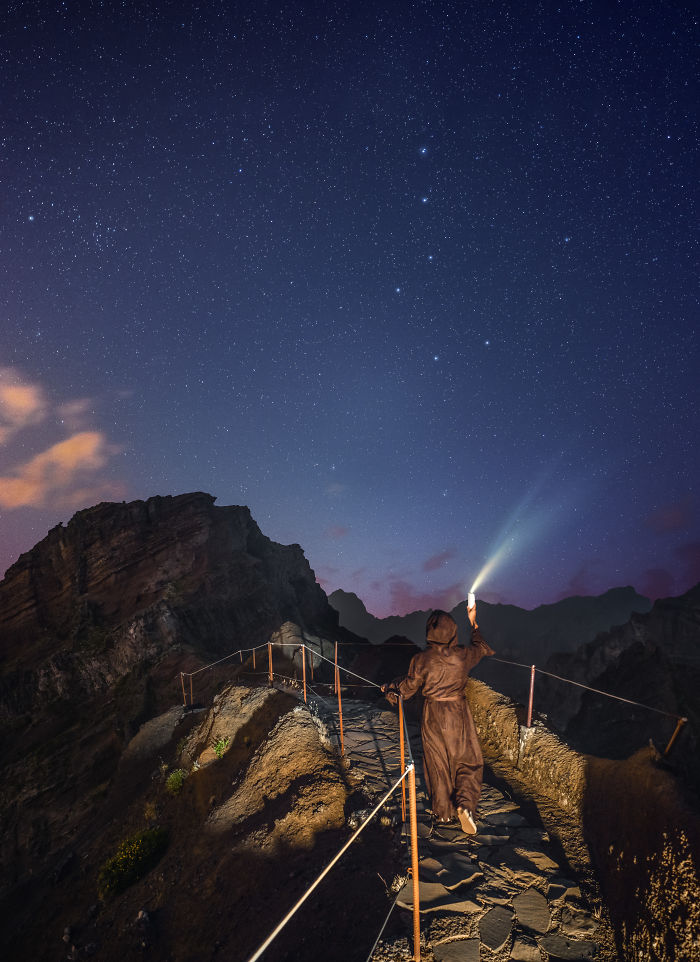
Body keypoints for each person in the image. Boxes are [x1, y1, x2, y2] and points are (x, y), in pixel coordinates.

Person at [381, 604, 494, 835]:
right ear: (453, 631)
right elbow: (481, 647)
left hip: (431, 714)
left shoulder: (421, 659)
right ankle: (465, 804)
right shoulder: (463, 655)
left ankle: (443, 812)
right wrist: (473, 621)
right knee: (468, 760)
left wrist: (390, 690)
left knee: (437, 763)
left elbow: (408, 688)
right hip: (457, 712)